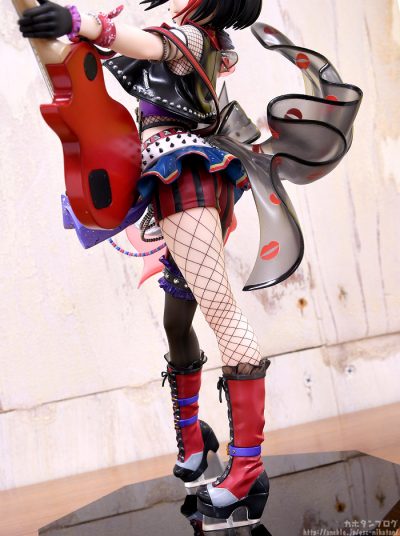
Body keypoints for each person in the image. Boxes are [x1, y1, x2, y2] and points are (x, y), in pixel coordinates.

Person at [17, 0, 362, 522]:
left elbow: (141, 42)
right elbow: (124, 52)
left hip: (186, 177)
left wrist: (78, 21)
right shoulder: (198, 39)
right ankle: (195, 444)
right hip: (175, 178)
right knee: (177, 318)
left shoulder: (198, 38)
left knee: (222, 314)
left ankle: (247, 470)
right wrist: (67, 32)